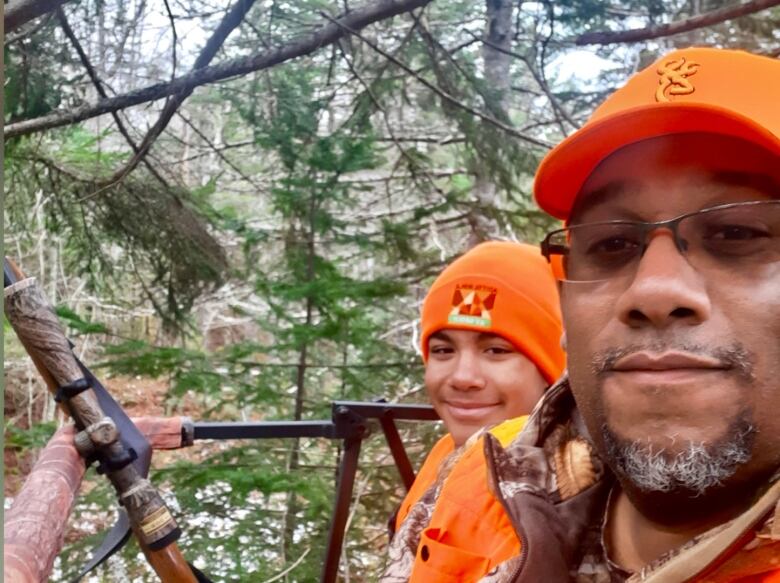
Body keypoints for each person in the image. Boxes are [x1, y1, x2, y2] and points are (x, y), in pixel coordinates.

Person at [386, 241, 566, 581]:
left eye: (496, 350)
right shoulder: (451, 454)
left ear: (551, 370)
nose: (462, 377)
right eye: (443, 350)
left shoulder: (538, 498)